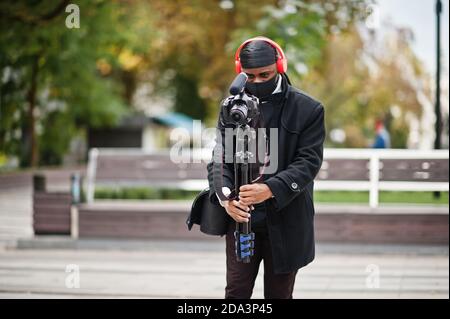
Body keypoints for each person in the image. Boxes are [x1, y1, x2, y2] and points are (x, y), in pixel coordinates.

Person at [207, 36, 325, 299]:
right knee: (236, 293)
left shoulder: (309, 109)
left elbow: (308, 162)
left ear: (279, 66)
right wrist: (226, 199)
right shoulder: (231, 108)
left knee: (279, 295)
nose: (257, 81)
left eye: (265, 74)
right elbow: (219, 157)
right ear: (240, 72)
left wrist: (269, 189)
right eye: (249, 76)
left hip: (286, 218)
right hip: (241, 219)